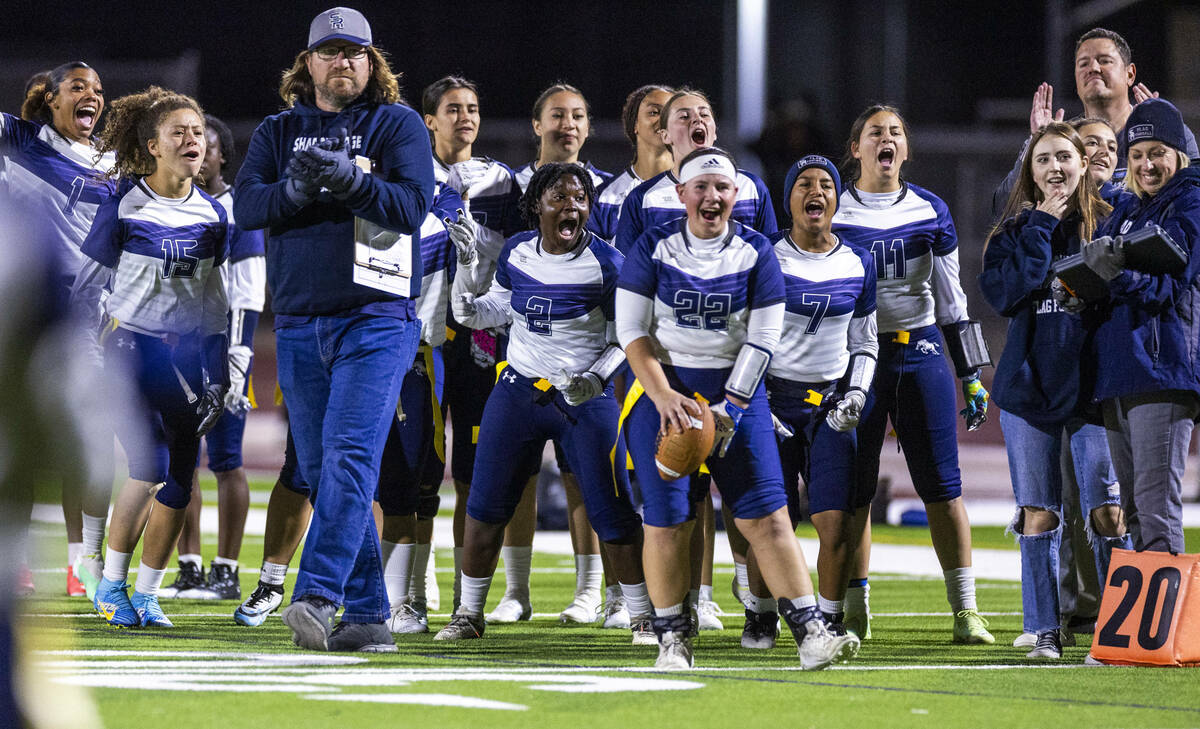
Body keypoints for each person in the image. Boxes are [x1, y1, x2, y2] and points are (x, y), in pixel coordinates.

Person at [234, 6, 434, 652]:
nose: (342, 61)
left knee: (350, 456)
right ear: (309, 62)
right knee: (324, 473)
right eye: (331, 51)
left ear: (371, 64)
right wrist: (292, 191)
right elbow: (246, 206)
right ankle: (371, 615)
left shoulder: (396, 125)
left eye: (355, 52)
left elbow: (411, 207)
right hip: (297, 322)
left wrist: (350, 182)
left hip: (376, 319)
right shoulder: (276, 131)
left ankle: (318, 593)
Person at [616, 146, 858, 670]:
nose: (711, 196)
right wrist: (664, 398)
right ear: (681, 194)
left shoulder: (755, 250)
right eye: (700, 187)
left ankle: (811, 633)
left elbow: (764, 335)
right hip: (664, 395)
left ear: (735, 196)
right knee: (668, 520)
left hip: (738, 396)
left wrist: (731, 406)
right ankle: (671, 639)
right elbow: (631, 331)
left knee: (768, 517)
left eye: (721, 187)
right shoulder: (654, 247)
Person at [435, 163, 653, 645]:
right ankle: (469, 613)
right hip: (518, 391)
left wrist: (596, 379)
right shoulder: (516, 250)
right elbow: (487, 310)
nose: (571, 206)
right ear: (536, 205)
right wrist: (466, 282)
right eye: (560, 197)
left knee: (612, 509)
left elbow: (628, 338)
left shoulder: (609, 263)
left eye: (580, 198)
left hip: (582, 398)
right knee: (486, 505)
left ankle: (641, 614)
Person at [615, 87, 778, 630]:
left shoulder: (747, 188)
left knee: (744, 493)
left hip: (736, 368)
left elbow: (771, 269)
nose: (697, 121)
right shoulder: (644, 200)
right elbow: (630, 294)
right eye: (683, 116)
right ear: (665, 133)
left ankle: (718, 592)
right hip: (666, 368)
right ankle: (669, 606)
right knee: (678, 482)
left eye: (705, 113)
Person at [832, 105, 994, 645]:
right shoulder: (832, 208)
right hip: (852, 358)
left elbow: (952, 299)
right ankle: (856, 609)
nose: (887, 139)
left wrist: (970, 372)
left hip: (917, 350)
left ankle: (966, 610)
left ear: (906, 149)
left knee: (943, 488)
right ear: (855, 148)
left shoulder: (929, 209)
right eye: (875, 131)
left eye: (896, 132)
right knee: (854, 492)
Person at [72, 86, 230, 629]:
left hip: (184, 358)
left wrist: (219, 376)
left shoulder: (214, 215)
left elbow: (214, 303)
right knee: (150, 466)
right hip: (128, 345)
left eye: (198, 130)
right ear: (152, 145)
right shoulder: (125, 202)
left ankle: (147, 592)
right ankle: (110, 583)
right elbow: (87, 286)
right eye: (178, 131)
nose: (192, 139)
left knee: (183, 479)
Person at [981, 121, 1132, 660]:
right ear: (1031, 170)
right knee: (1039, 512)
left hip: (1092, 391)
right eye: (1043, 159)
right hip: (1029, 390)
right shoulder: (1013, 231)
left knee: (1107, 513)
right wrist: (1042, 224)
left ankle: (1124, 629)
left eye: (1064, 157)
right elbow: (1007, 292)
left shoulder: (1109, 224)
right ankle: (1045, 629)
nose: (1055, 168)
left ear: (1081, 164)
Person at [742, 156, 878, 649]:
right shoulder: (763, 256)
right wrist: (753, 401)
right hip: (770, 399)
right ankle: (759, 614)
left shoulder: (858, 260)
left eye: (826, 184)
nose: (815, 191)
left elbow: (865, 342)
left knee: (836, 520)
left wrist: (858, 391)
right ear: (788, 198)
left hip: (831, 404)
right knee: (770, 518)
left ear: (837, 199)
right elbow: (743, 337)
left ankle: (829, 619)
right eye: (803, 184)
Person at [4, 62, 116, 600]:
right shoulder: (19, 139)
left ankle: (82, 562)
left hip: (88, 321)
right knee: (13, 442)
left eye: (97, 91)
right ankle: (16, 557)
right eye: (78, 88)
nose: (91, 96)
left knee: (87, 449)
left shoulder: (116, 164)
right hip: (22, 312)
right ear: (50, 99)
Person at [510, 82, 614, 625]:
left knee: (586, 473)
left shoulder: (608, 192)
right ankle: (514, 590)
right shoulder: (509, 187)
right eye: (556, 115)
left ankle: (589, 590)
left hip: (587, 362)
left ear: (589, 126)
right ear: (536, 124)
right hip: (515, 353)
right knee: (515, 472)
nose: (566, 125)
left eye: (577, 115)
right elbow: (499, 270)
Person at [1084, 98, 1200, 556]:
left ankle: (1168, 627)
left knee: (1155, 510)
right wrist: (1077, 290)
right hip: (1122, 372)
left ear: (1179, 154)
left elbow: (1173, 285)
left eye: (1157, 152)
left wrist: (1115, 274)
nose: (1147, 164)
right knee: (1133, 511)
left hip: (1162, 371)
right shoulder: (1129, 209)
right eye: (1137, 154)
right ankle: (1145, 628)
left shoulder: (1190, 201)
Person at [161, 113, 266, 601]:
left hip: (222, 347)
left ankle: (226, 570)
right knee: (181, 457)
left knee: (226, 460)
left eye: (205, 141)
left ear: (222, 154)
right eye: (185, 138)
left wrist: (239, 361)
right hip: (178, 347)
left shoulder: (237, 210)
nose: (196, 148)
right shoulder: (173, 205)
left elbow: (247, 293)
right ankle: (189, 565)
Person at [992, 27, 1199, 217]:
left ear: (1130, 74)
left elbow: (1195, 200)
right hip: (1080, 255)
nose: (1093, 68)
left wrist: (1163, 142)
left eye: (1104, 60)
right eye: (1083, 63)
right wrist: (1037, 146)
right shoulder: (1065, 141)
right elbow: (1004, 208)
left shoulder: (1167, 133)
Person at [590, 84, 674, 241]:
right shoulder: (604, 197)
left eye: (671, 113)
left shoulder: (698, 190)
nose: (664, 119)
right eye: (654, 112)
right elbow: (594, 260)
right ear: (635, 124)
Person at [514, 83, 611, 192]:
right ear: (537, 126)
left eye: (577, 116)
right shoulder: (512, 184)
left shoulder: (609, 188)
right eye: (557, 115)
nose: (569, 124)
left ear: (587, 127)